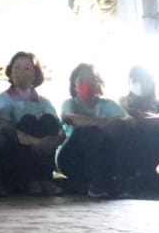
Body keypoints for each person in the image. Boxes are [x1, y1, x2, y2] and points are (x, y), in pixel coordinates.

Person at [0, 51, 64, 195]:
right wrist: (33, 141)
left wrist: (51, 141)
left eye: (27, 68)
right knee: (28, 120)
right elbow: (5, 128)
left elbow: (59, 129)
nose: (21, 72)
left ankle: (44, 179)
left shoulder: (44, 102)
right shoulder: (2, 99)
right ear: (10, 72)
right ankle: (29, 181)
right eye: (16, 68)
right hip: (15, 148)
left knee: (47, 121)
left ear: (35, 74)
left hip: (43, 147)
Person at [57, 63, 134, 198]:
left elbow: (126, 121)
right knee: (88, 131)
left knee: (119, 132)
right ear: (74, 83)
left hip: (104, 158)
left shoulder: (108, 104)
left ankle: (116, 180)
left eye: (91, 79)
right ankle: (98, 184)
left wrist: (112, 124)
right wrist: (102, 123)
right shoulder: (69, 103)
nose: (87, 83)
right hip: (72, 158)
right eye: (82, 79)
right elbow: (70, 118)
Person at [117, 65, 159, 187]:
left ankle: (147, 173)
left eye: (143, 79)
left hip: (153, 147)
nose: (139, 84)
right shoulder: (122, 102)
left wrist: (155, 120)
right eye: (135, 80)